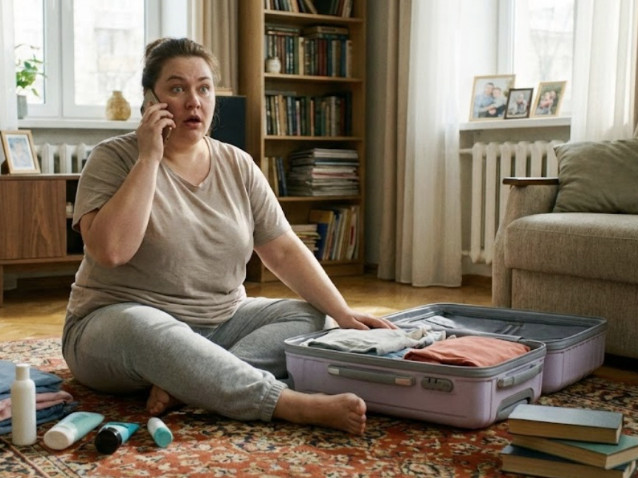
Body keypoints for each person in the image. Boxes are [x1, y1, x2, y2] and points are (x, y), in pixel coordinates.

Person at [61, 37, 395, 436]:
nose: (194, 101)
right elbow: (111, 251)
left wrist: (342, 313)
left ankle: (191, 380)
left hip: (221, 322)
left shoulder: (238, 164)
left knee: (310, 315)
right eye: (177, 88)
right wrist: (149, 157)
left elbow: (283, 249)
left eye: (204, 88)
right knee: (143, 326)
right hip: (115, 326)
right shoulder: (112, 157)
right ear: (150, 100)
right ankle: (287, 404)